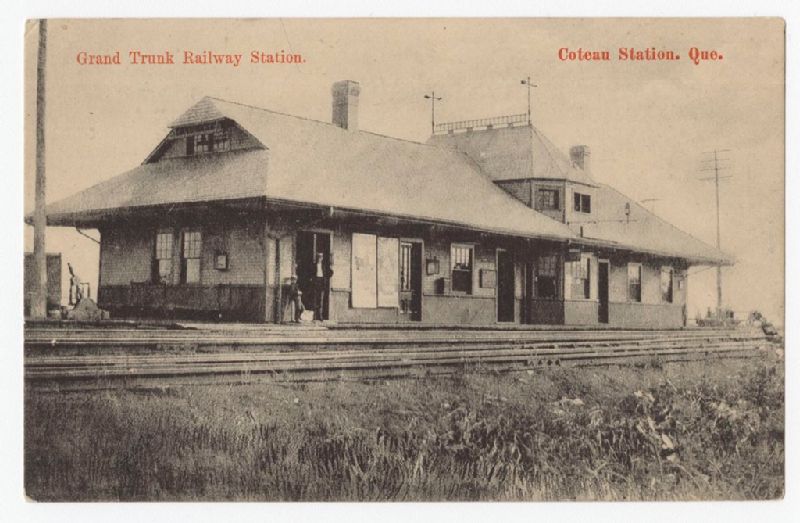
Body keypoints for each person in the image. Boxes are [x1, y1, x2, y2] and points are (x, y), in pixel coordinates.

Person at [312, 252, 333, 321]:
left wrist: (326, 278)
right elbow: (310, 273)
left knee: (321, 300)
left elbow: (330, 272)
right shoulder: (313, 265)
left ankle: (320, 316)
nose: (319, 258)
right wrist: (312, 279)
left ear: (322, 258)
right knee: (315, 299)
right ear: (317, 258)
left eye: (321, 257)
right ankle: (314, 316)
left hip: (322, 282)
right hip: (316, 282)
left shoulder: (324, 266)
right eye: (318, 257)